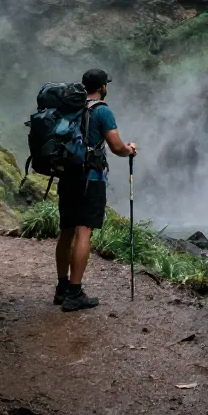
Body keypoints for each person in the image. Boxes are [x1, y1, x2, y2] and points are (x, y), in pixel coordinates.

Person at [54, 68, 137, 312]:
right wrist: (130, 149)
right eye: (105, 85)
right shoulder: (102, 111)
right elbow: (115, 146)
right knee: (84, 231)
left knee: (67, 231)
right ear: (102, 87)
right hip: (90, 178)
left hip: (66, 177)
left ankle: (61, 287)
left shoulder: (69, 107)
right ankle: (75, 293)